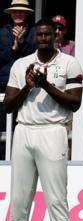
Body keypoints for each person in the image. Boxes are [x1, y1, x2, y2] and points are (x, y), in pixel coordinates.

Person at [1, 18, 83, 221]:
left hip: (53, 131)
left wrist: (45, 85)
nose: (44, 38)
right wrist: (28, 86)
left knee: (57, 201)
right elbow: (8, 107)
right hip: (24, 131)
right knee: (19, 201)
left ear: (56, 36)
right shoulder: (21, 64)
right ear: (34, 37)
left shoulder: (69, 63)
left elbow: (75, 103)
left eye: (48, 34)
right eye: (40, 35)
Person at [0, 0, 36, 159]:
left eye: (22, 11)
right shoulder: (1, 32)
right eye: (15, 11)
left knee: (24, 124)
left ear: (27, 14)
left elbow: (37, 56)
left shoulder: (36, 32)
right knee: (3, 126)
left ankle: (23, 158)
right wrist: (13, 48)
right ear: (11, 13)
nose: (18, 14)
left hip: (28, 85)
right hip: (4, 84)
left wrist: (22, 43)